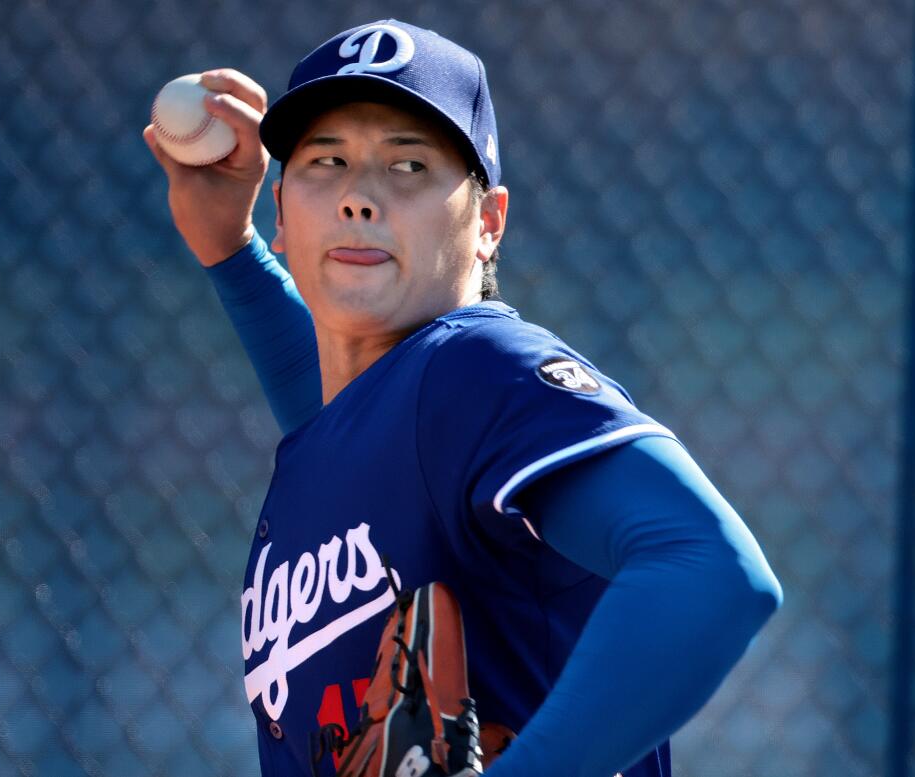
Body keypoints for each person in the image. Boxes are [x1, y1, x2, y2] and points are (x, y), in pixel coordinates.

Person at [144, 19, 782, 777]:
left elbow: (710, 566)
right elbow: (343, 425)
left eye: (408, 165)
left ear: (487, 223)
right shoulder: (365, 425)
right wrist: (231, 251)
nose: (357, 197)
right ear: (282, 210)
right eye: (327, 160)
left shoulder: (476, 366)